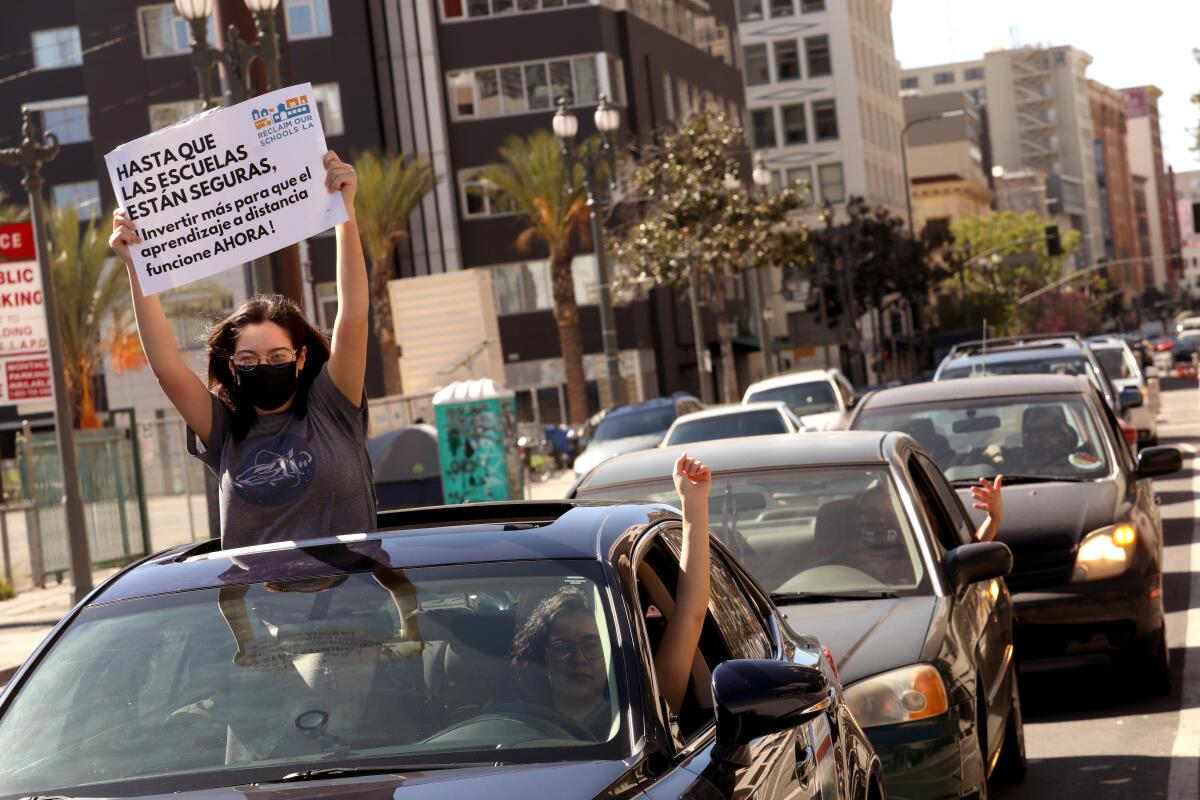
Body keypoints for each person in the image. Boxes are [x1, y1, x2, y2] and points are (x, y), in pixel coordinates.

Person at [109, 152, 371, 548]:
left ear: (300, 358)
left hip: (355, 604)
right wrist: (135, 264)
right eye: (248, 359)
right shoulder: (225, 431)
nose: (264, 366)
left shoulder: (332, 407)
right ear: (231, 366)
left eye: (277, 357)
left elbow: (351, 319)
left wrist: (343, 212)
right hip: (263, 608)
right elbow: (168, 370)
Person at [511, 452, 712, 734]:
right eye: (562, 648)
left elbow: (690, 615)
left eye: (592, 645)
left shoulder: (644, 717)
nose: (578, 658)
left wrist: (694, 503)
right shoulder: (512, 727)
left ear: (610, 656)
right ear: (541, 658)